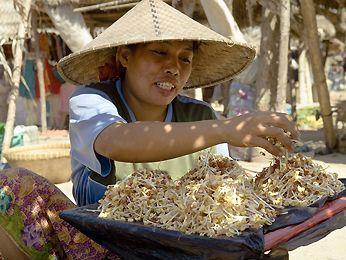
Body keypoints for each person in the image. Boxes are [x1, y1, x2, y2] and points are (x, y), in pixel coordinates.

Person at [0, 0, 298, 258]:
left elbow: (227, 197)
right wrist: (225, 128)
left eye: (185, 58)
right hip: (105, 250)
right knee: (11, 185)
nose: (174, 68)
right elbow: (115, 141)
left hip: (185, 251)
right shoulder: (93, 100)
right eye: (159, 53)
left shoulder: (200, 114)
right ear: (125, 57)